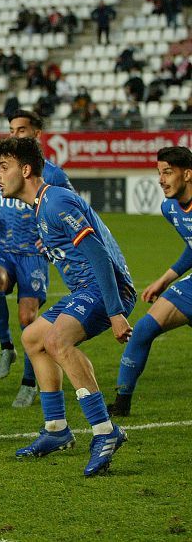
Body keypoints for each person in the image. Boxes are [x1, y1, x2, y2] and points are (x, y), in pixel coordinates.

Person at [0, 136, 133, 477]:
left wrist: (115, 313)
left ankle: (104, 431)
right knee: (32, 338)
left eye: (4, 167)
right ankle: (56, 429)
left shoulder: (55, 202)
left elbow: (98, 255)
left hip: (103, 289)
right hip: (85, 290)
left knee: (57, 341)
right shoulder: (42, 205)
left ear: (26, 170)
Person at [0, 110, 73, 407]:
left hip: (34, 253)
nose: (15, 135)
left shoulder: (54, 175)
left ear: (37, 134)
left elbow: (70, 211)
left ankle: (30, 383)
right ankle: (6, 347)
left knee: (28, 319)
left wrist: (52, 236)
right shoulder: (0, 169)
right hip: (4, 245)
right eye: (11, 129)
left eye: (21, 130)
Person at [109, 147, 192, 417]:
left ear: (188, 174)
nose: (161, 180)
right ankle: (122, 404)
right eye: (159, 173)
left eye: (167, 172)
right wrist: (165, 279)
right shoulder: (170, 208)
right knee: (144, 328)